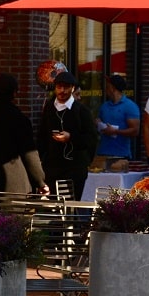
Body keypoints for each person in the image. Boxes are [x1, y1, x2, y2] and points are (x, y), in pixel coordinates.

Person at [0, 73, 48, 212]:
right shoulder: (20, 119)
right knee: (15, 227)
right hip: (14, 184)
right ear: (15, 93)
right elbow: (29, 154)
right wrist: (40, 181)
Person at [37, 71, 99, 200]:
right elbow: (42, 136)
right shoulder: (49, 108)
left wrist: (71, 137)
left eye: (66, 87)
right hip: (51, 167)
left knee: (70, 206)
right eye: (59, 87)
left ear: (73, 88)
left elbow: (92, 139)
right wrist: (42, 160)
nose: (62, 91)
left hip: (74, 168)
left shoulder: (81, 111)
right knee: (52, 206)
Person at [95, 74, 141, 159]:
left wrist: (115, 131)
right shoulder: (104, 106)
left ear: (112, 88)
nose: (105, 89)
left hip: (121, 155)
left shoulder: (130, 106)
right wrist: (98, 123)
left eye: (107, 86)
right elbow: (98, 125)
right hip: (102, 153)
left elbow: (135, 131)